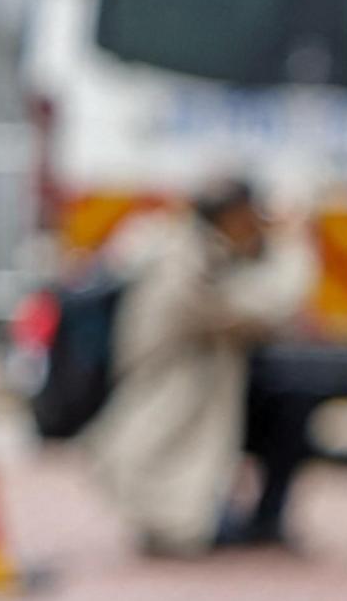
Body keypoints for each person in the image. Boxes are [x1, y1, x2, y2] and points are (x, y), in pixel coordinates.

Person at [80, 179, 311, 556]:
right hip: (172, 399)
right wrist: (291, 243)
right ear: (235, 217)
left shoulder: (193, 248)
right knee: (175, 496)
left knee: (286, 406)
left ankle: (235, 519)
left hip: (180, 394)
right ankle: (197, 524)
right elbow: (272, 304)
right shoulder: (188, 267)